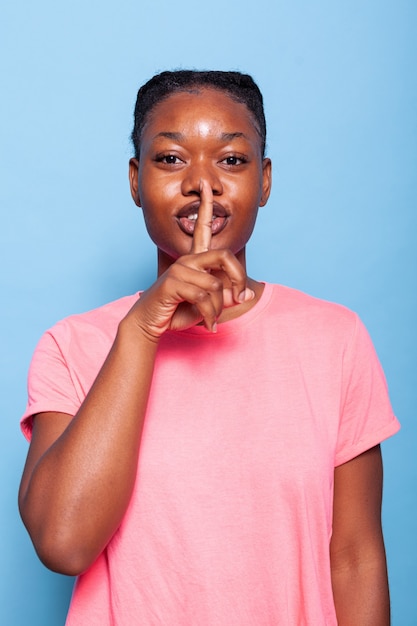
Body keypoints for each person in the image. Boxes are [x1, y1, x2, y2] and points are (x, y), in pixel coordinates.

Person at [19, 70, 399, 625]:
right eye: (171, 159)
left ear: (265, 182)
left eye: (232, 160)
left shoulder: (335, 338)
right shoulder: (73, 346)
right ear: (135, 180)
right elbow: (63, 542)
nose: (203, 184)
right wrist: (141, 329)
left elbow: (356, 559)